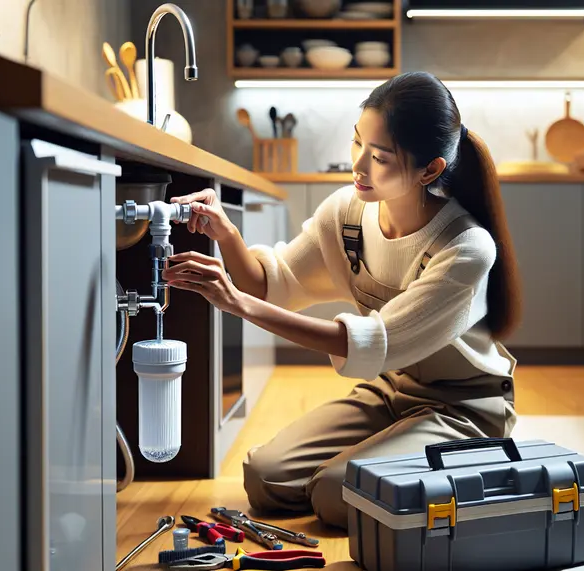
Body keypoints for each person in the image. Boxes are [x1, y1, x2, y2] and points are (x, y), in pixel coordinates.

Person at [162, 71, 523, 530]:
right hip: (390, 393)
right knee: (265, 477)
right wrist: (225, 233)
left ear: (430, 169)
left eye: (380, 157)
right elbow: (273, 282)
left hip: (464, 408)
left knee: (335, 493)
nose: (359, 167)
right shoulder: (347, 214)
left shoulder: (465, 247)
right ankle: (393, 452)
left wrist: (237, 305)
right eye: (357, 144)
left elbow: (375, 342)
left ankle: (478, 460)